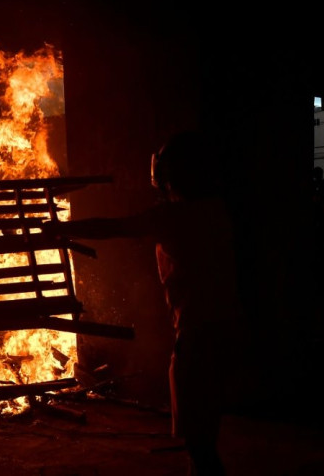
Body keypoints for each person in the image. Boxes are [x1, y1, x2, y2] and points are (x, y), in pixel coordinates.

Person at [41, 131, 244, 476]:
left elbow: (116, 227)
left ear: (169, 178)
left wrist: (63, 229)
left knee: (198, 441)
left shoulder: (176, 218)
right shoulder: (216, 210)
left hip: (196, 334)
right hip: (225, 329)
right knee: (204, 432)